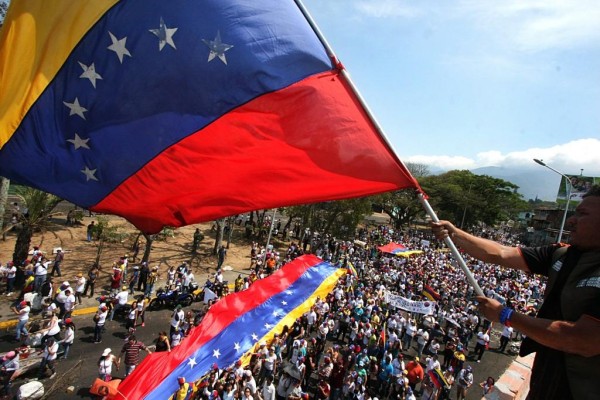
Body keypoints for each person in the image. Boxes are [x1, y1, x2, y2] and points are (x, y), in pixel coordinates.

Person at [431, 185, 600, 400]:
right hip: (544, 382)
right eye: (575, 212)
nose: (571, 220)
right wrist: (455, 234)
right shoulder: (562, 254)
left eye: (583, 214)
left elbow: (582, 339)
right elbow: (501, 253)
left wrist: (505, 315)